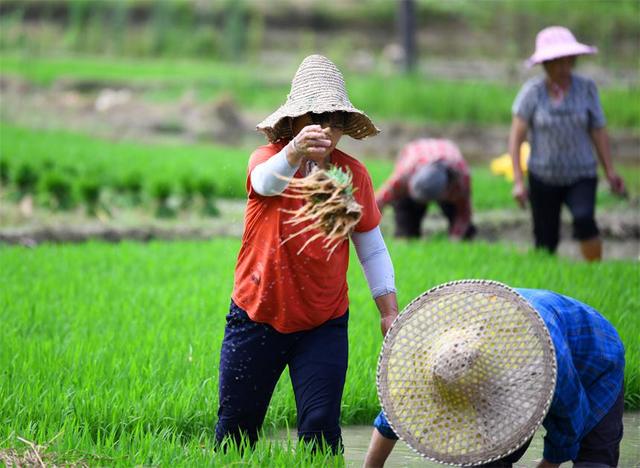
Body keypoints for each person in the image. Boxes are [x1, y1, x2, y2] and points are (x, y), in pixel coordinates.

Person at [214, 55, 399, 454]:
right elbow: (265, 184)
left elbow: (371, 247)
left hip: (323, 322)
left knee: (319, 429)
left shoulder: (352, 176)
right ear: (296, 121)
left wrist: (389, 311)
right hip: (257, 315)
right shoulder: (268, 161)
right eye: (315, 118)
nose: (326, 129)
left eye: (334, 120)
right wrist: (296, 151)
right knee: (235, 431)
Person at [364, 280, 625, 468]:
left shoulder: (543, 355)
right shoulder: (446, 356)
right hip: (505, 371)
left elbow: (571, 417)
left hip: (594, 360)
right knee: (482, 456)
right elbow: (392, 419)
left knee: (594, 460)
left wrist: (548, 463)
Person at [509, 26, 627, 261]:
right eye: (557, 63)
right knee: (545, 239)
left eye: (568, 62)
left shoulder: (586, 89)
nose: (563, 68)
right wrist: (518, 181)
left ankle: (596, 272)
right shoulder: (532, 93)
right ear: (545, 64)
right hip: (543, 176)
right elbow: (516, 138)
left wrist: (610, 171)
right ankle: (545, 286)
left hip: (581, 173)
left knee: (584, 219)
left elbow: (598, 131)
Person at [375, 138, 476, 240]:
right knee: (406, 225)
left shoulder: (460, 180)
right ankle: (406, 236)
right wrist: (371, 229)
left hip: (448, 174)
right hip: (415, 157)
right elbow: (379, 201)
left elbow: (464, 212)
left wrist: (456, 239)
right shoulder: (404, 175)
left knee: (463, 230)